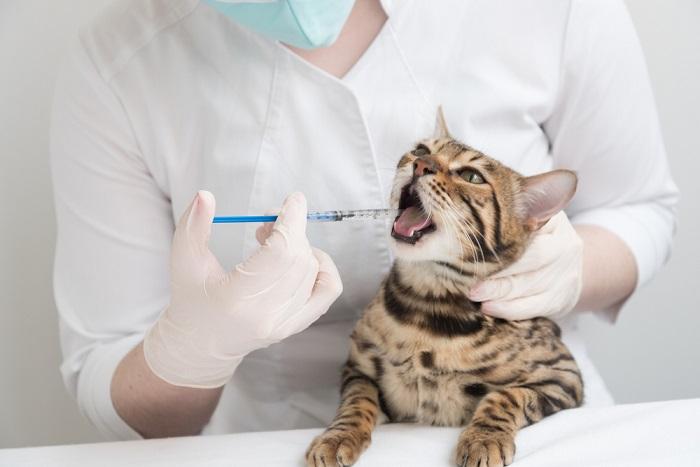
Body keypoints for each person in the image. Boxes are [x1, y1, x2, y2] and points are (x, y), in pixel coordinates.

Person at [50, 0, 678, 440]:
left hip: (523, 420)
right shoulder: (120, 59)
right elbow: (110, 381)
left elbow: (639, 206)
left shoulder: (551, 8)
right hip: (278, 438)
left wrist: (572, 269)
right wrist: (193, 349)